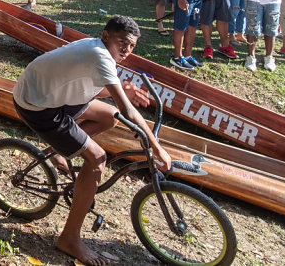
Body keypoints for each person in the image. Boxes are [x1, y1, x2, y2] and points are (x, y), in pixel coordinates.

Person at [13, 16, 171, 265]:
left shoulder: (98, 48)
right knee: (97, 158)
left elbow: (95, 88)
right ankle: (69, 239)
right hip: (38, 105)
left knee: (110, 117)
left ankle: (60, 149)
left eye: (132, 46)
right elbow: (129, 110)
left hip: (51, 95)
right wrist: (157, 147)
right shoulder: (100, 55)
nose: (127, 50)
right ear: (106, 36)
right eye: (123, 43)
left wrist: (123, 89)